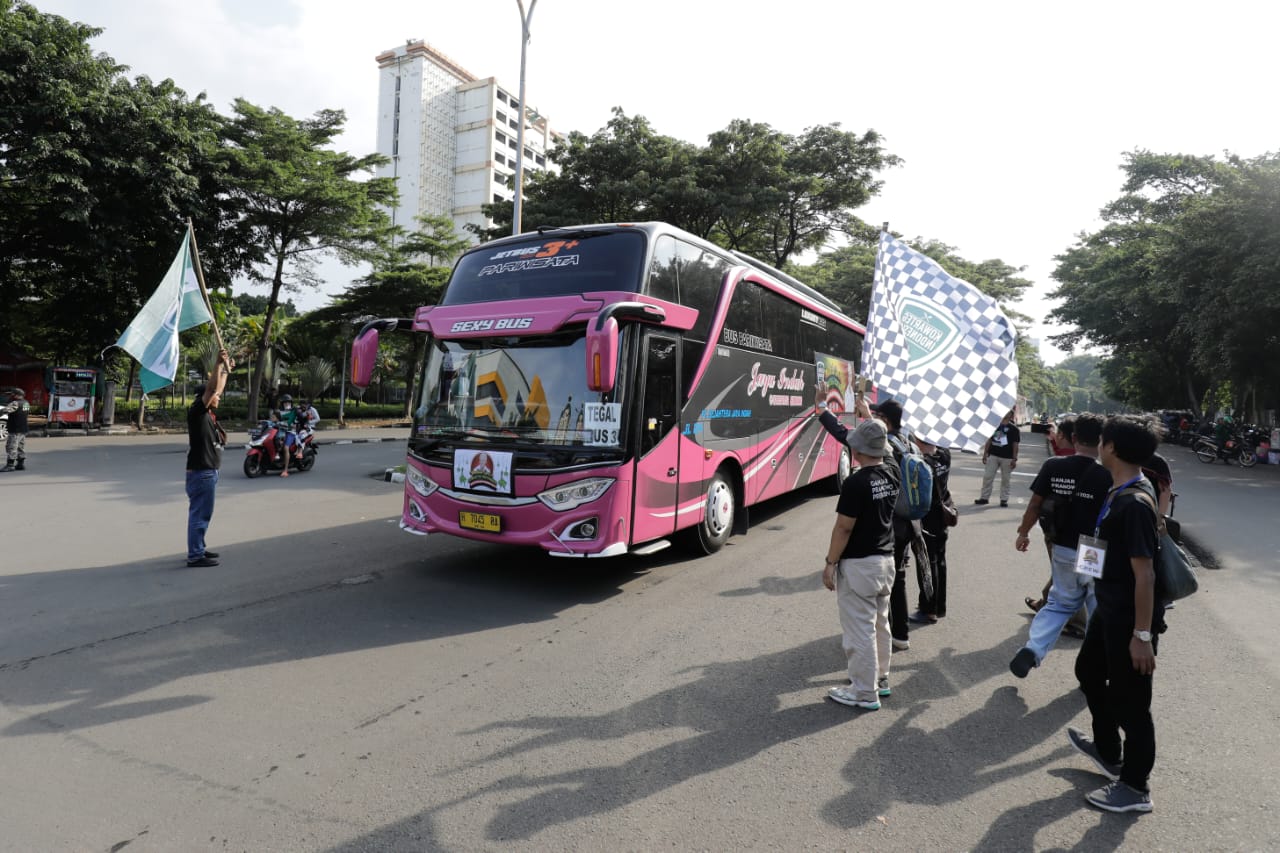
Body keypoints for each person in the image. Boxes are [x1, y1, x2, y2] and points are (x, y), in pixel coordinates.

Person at [1068, 415, 1163, 813]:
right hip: (1109, 607)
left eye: (1103, 439)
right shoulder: (1121, 488)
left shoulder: (1135, 502)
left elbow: (1145, 575)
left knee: (1131, 704)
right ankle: (1109, 752)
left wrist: (1141, 637)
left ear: (1112, 449)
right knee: (1088, 671)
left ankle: (1135, 787)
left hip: (1129, 620)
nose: (1099, 444)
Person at [1010, 413, 1112, 677]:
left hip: (1061, 546)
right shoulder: (1107, 475)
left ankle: (1033, 649)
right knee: (1096, 606)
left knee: (1060, 603)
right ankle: (1093, 668)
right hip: (1092, 548)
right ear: (1102, 441)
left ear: (1074, 438)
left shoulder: (1053, 466)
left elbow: (1035, 504)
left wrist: (1023, 533)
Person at [815, 390, 914, 650]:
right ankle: (899, 636)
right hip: (904, 524)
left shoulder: (861, 477)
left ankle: (866, 683)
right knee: (894, 584)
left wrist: (830, 563)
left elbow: (843, 527)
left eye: (877, 415)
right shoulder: (904, 442)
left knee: (866, 619)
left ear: (885, 422)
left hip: (880, 534)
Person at [822, 419, 901, 711]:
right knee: (881, 622)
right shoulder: (892, 470)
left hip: (859, 565)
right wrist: (872, 419)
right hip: (886, 561)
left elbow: (843, 528)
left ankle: (864, 692)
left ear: (856, 450)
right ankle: (881, 679)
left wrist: (830, 563)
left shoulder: (856, 483)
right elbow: (889, 448)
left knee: (860, 630)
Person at [186, 348, 233, 567]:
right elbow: (213, 388)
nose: (218, 398)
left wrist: (224, 369)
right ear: (205, 397)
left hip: (207, 471)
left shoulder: (207, 414)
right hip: (201, 472)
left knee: (203, 514)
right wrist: (217, 364)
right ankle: (195, 555)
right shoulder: (197, 412)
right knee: (199, 515)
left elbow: (217, 388)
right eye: (214, 396)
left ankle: (199, 548)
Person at [908, 432, 953, 624]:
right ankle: (938, 606)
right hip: (943, 515)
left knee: (927, 563)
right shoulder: (944, 454)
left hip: (927, 518)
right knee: (939, 562)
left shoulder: (921, 463)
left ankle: (928, 609)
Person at [976, 410, 1020, 506]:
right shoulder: (994, 426)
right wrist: (985, 454)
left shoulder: (1014, 429)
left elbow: (1015, 445)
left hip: (1007, 458)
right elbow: (989, 440)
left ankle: (1004, 499)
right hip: (993, 455)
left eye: (1008, 412)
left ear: (1011, 415)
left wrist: (1014, 458)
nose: (1005, 413)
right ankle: (984, 498)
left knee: (1005, 479)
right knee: (988, 477)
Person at [1, 388, 31, 472]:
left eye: (13, 394)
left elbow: (5, 411)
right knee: (21, 447)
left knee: (12, 446)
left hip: (15, 428)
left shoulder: (15, 403)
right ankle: (20, 464)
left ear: (17, 395)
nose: (11, 395)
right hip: (23, 428)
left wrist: (3, 409)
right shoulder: (26, 403)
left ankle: (10, 465)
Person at [274, 394, 301, 477]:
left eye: (288, 402)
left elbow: (298, 418)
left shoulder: (294, 411)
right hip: (281, 431)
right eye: (285, 402)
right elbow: (273, 419)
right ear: (282, 403)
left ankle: (285, 470)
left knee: (286, 448)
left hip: (290, 432)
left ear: (291, 403)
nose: (286, 403)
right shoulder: (279, 411)